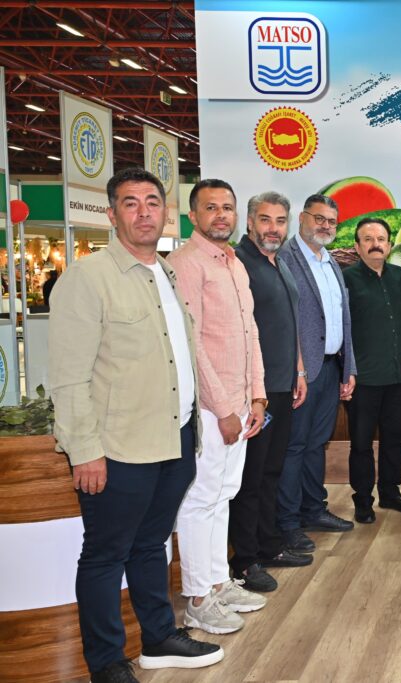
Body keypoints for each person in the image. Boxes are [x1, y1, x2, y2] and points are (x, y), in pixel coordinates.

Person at [50, 167, 222, 682]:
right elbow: (69, 377)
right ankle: (106, 663)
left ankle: (158, 638)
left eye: (152, 202)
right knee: (106, 555)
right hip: (119, 448)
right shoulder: (87, 278)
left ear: (165, 213)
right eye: (131, 203)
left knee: (151, 545)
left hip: (174, 438)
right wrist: (84, 450)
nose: (144, 212)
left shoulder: (165, 272)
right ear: (111, 214)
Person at [169, 179, 268, 633]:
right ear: (193, 216)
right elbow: (192, 345)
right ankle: (197, 597)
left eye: (227, 207)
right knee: (200, 498)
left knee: (224, 494)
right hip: (212, 409)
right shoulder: (186, 264)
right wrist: (224, 408)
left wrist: (257, 395)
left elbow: (250, 334)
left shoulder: (234, 263)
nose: (221, 215)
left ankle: (218, 581)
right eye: (211, 208)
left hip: (241, 403)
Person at [229, 191, 312, 594]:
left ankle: (269, 545)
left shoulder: (278, 263)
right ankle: (245, 561)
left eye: (280, 221)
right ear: (249, 222)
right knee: (250, 478)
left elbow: (290, 322)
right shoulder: (239, 263)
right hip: (255, 392)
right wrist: (255, 393)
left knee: (271, 471)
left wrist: (299, 369)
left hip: (282, 385)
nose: (273, 228)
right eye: (265, 219)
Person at [277, 194, 358, 549]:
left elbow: (342, 318)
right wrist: (296, 371)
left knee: (316, 444)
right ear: (302, 218)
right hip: (300, 373)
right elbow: (283, 321)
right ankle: (288, 522)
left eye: (331, 221)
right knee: (294, 446)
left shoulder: (330, 262)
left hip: (330, 368)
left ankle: (313, 509)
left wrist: (348, 367)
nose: (325, 226)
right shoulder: (285, 258)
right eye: (319, 218)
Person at [342, 217, 401, 524]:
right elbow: (341, 329)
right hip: (363, 379)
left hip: (398, 376)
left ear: (389, 245)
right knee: (361, 442)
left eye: (381, 239)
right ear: (357, 246)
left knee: (395, 437)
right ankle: (363, 499)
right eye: (368, 239)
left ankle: (390, 492)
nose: (375, 244)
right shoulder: (346, 279)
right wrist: (346, 371)